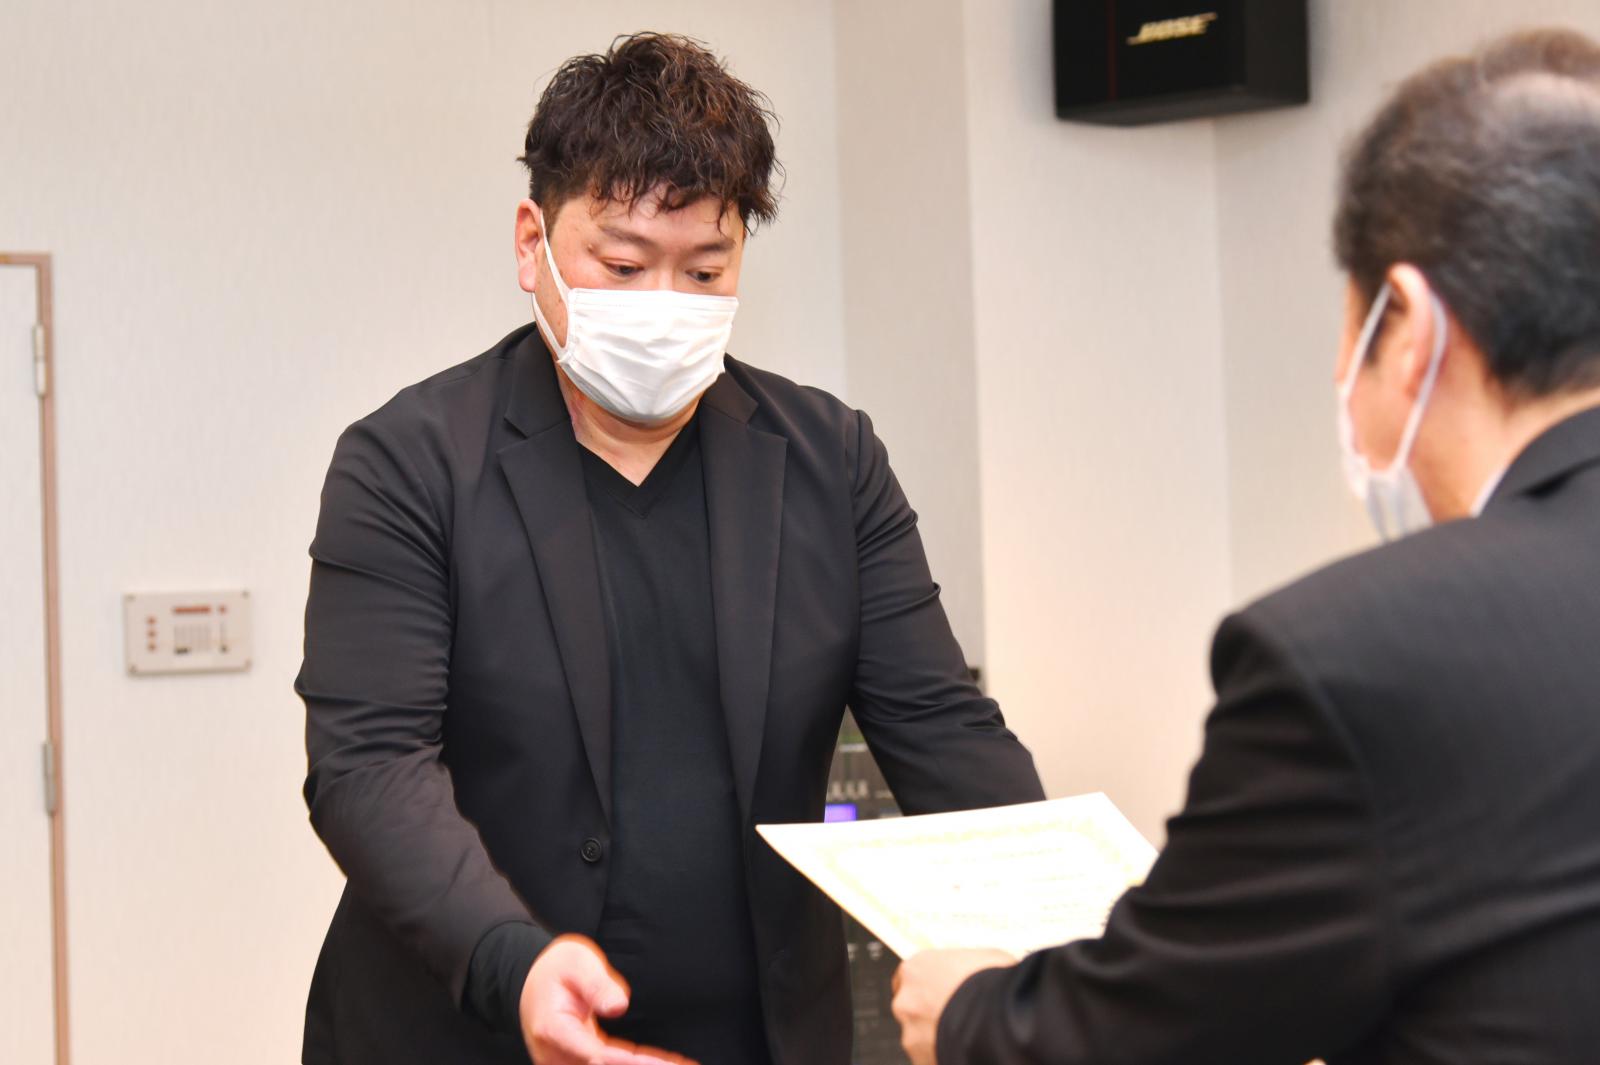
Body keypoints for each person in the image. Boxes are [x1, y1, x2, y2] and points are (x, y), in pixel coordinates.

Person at [295, 31, 1043, 1065]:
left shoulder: (828, 463)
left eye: (704, 269)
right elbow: (369, 770)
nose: (663, 307)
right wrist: (517, 965)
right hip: (470, 1024)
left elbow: (945, 732)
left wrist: (1059, 937)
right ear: (532, 242)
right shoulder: (408, 464)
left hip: (754, 1034)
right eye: (621, 264)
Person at [892, 26, 1600, 1065]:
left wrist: (967, 1012)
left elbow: (1136, 1034)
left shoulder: (1356, 656)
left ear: (1405, 326)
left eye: (1349, 325)